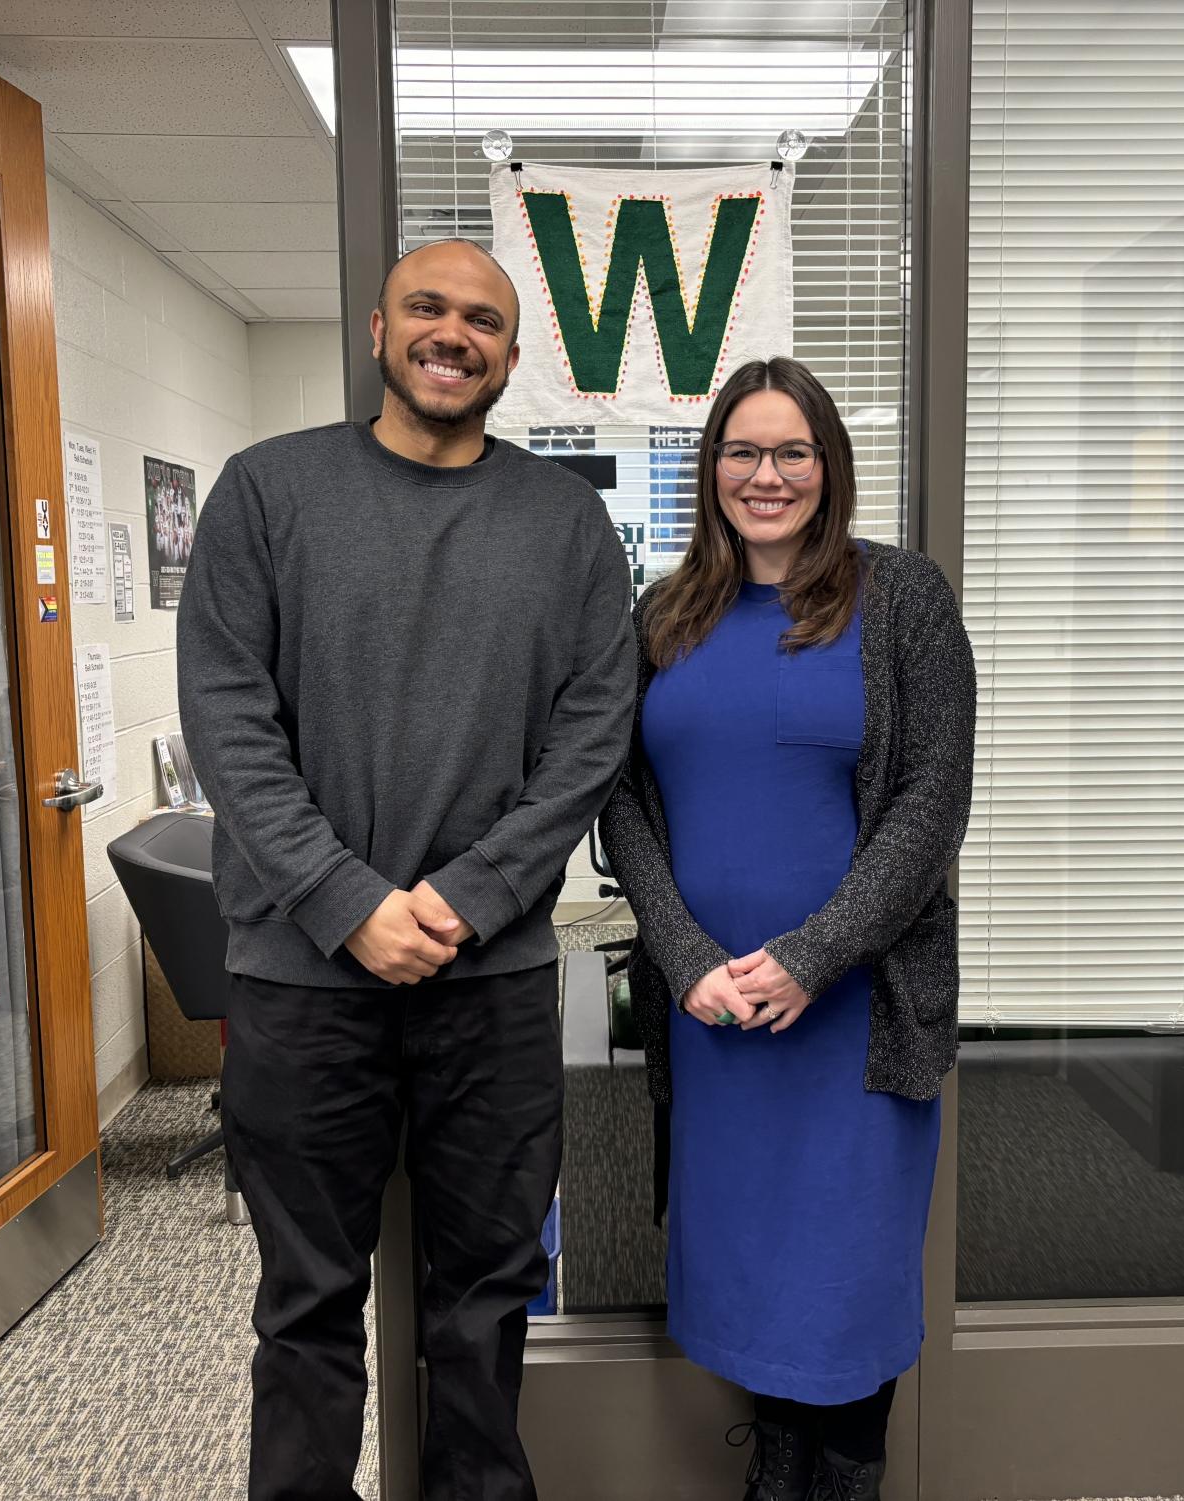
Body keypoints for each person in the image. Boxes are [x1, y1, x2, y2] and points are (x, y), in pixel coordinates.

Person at [178, 237, 636, 1501]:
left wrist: (468, 897)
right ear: (377, 330)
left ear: (511, 355)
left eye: (482, 319)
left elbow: (595, 733)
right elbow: (229, 721)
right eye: (427, 308)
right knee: (309, 1308)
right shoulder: (266, 494)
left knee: (484, 1306)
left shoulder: (565, 523)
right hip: (302, 981)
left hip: (489, 989)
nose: (454, 334)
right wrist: (348, 903)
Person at [598, 358, 976, 1501]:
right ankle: (775, 1477)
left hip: (855, 1015)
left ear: (830, 465)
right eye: (742, 451)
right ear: (710, 468)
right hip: (714, 1018)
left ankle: (844, 1483)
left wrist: (813, 957)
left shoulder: (901, 598)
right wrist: (685, 954)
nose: (767, 475)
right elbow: (619, 797)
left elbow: (931, 798)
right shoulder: (663, 615)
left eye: (792, 451)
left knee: (847, 1276)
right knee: (750, 1268)